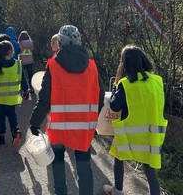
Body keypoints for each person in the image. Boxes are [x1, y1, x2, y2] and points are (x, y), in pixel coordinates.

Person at [30, 25, 100, 195]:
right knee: (84, 166)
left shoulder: (53, 66)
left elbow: (45, 100)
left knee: (59, 164)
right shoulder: (92, 66)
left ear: (60, 42)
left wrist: (34, 123)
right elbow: (99, 98)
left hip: (59, 128)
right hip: (84, 128)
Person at [103, 45, 168, 195]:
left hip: (128, 134)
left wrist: (114, 90)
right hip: (152, 136)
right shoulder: (157, 81)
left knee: (119, 159)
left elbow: (114, 106)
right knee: (149, 169)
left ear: (125, 64)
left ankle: (117, 191)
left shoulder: (125, 84)